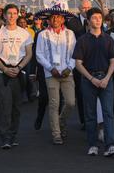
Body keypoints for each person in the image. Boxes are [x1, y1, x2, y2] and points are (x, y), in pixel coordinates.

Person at [72, 7, 114, 157]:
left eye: (100, 17)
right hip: (89, 80)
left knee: (108, 113)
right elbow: (78, 64)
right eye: (94, 18)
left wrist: (106, 78)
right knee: (90, 114)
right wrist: (92, 79)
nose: (98, 20)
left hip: (106, 79)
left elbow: (113, 61)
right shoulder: (82, 40)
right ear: (88, 21)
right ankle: (92, 144)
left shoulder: (108, 39)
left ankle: (110, 145)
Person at [0, 4, 33, 149]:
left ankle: (13, 135)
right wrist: (4, 68)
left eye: (15, 13)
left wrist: (19, 68)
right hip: (3, 74)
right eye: (9, 13)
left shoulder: (24, 33)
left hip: (19, 73)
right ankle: (5, 137)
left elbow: (29, 54)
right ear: (5, 15)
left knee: (16, 107)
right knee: (4, 106)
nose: (12, 16)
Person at [36, 8, 76, 145]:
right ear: (48, 19)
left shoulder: (70, 34)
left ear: (63, 19)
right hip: (51, 73)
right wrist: (50, 68)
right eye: (53, 17)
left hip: (67, 72)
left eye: (58, 17)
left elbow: (75, 54)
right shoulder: (43, 34)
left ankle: (61, 122)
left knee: (71, 102)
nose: (56, 19)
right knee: (54, 103)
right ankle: (56, 133)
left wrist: (69, 67)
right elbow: (39, 54)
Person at [66, 0, 92, 129]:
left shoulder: (96, 21)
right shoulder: (72, 23)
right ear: (79, 9)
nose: (86, 10)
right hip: (77, 62)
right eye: (84, 8)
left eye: (88, 8)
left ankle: (94, 120)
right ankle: (84, 121)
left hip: (93, 63)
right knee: (81, 93)